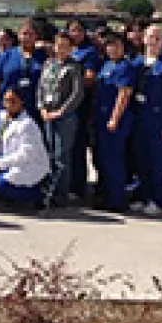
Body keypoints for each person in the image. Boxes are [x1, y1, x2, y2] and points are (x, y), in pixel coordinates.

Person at [130, 25, 162, 216]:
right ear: (144, 39)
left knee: (157, 161)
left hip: (158, 117)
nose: (154, 40)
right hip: (139, 116)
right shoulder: (137, 63)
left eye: (158, 37)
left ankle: (157, 199)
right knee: (141, 159)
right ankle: (142, 195)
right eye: (151, 36)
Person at [0, 88, 51, 205]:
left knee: (2, 185)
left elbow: (26, 154)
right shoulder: (0, 117)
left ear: (21, 102)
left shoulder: (27, 124)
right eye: (6, 101)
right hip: (4, 162)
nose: (9, 104)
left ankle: (40, 196)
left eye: (13, 101)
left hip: (27, 166)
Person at [37, 32, 84, 206]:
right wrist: (41, 108)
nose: (61, 49)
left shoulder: (74, 66)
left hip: (65, 117)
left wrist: (62, 111)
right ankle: (49, 191)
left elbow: (77, 93)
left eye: (65, 46)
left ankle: (60, 194)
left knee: (61, 157)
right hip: (47, 115)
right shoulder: (48, 64)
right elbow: (40, 88)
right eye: (58, 45)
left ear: (71, 49)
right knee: (49, 154)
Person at [93, 33, 135, 212]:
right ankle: (106, 195)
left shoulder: (125, 67)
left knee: (114, 159)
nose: (112, 49)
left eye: (116, 45)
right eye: (109, 45)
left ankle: (116, 199)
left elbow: (124, 94)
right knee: (103, 159)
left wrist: (115, 118)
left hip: (115, 120)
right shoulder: (107, 64)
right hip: (101, 117)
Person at [67, 19, 101, 199]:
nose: (75, 34)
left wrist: (69, 85)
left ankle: (78, 187)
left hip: (80, 105)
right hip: (62, 106)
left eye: (79, 30)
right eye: (72, 30)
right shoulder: (67, 49)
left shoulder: (90, 53)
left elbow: (89, 78)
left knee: (78, 146)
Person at [0, 22, 46, 120]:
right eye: (24, 34)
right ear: (18, 35)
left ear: (36, 36)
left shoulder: (43, 56)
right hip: (7, 107)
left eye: (31, 34)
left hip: (33, 109)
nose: (27, 37)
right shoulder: (7, 55)